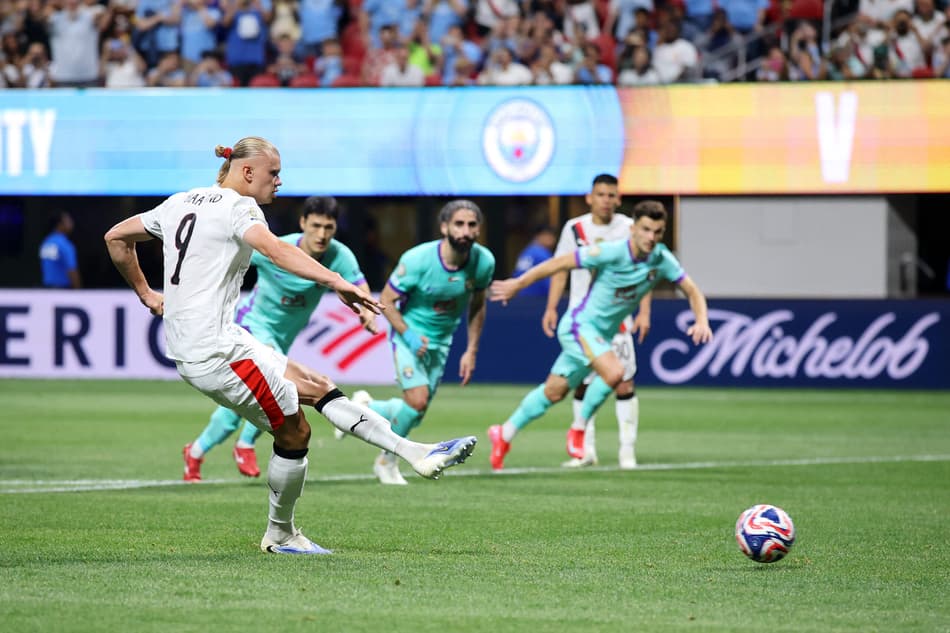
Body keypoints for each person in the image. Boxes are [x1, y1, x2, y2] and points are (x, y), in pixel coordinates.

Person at [104, 136, 477, 554]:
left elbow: (116, 236)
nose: (279, 181)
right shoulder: (240, 207)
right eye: (274, 173)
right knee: (296, 431)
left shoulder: (179, 202)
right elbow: (276, 249)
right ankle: (280, 534)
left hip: (223, 340)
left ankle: (416, 452)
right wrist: (335, 282)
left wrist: (147, 294)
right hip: (212, 353)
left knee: (316, 384)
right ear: (247, 173)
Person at [488, 200, 713, 472]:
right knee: (616, 372)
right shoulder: (610, 252)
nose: (651, 237)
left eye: (658, 231)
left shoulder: (661, 259)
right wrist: (519, 283)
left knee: (553, 392)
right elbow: (560, 263)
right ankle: (579, 429)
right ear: (633, 229)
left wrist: (701, 320)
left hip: (600, 335)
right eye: (645, 229)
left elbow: (692, 290)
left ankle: (504, 433)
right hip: (578, 326)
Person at [182, 195, 377, 482]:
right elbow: (228, 256)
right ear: (303, 223)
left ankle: (196, 452)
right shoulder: (277, 249)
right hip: (252, 326)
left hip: (282, 338)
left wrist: (366, 312)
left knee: (242, 402)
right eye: (316, 226)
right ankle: (245, 444)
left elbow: (358, 284)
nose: (322, 235)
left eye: (329, 227)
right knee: (277, 385)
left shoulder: (340, 256)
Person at [354, 200, 495, 485]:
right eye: (459, 224)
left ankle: (364, 408)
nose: (465, 231)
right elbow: (387, 301)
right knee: (416, 402)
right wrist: (408, 334)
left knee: (414, 413)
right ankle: (386, 461)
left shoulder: (484, 262)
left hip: (440, 344)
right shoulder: (417, 260)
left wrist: (471, 350)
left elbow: (478, 305)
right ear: (444, 227)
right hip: (409, 336)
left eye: (472, 225)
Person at [543, 175, 650, 470]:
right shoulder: (574, 228)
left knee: (624, 382)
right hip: (581, 321)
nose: (606, 200)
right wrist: (552, 307)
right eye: (600, 194)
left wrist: (644, 312)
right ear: (590, 197)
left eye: (611, 195)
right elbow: (561, 269)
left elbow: (644, 271)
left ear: (618, 198)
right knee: (579, 383)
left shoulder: (629, 227)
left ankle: (627, 451)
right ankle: (584, 451)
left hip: (616, 319)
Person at [512, 225, 556, 298]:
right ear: (539, 236)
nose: (552, 239)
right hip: (539, 298)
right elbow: (549, 283)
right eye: (548, 235)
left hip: (521, 298)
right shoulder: (542, 253)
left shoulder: (527, 251)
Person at [40, 211, 81, 289]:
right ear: (60, 224)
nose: (71, 224)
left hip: (46, 289)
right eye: (68, 221)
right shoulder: (65, 245)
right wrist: (78, 291)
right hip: (62, 290)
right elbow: (72, 270)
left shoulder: (46, 242)